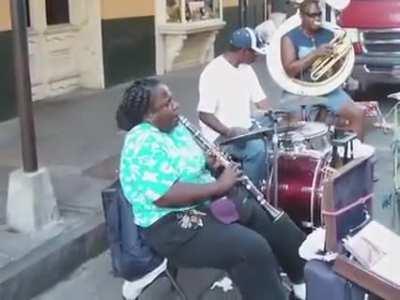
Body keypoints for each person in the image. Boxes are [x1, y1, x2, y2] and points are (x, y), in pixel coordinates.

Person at [116, 78, 307, 300]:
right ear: (148, 116)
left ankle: (303, 285)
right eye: (167, 104)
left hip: (206, 204)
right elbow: (165, 195)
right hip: (172, 225)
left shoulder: (174, 127)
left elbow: (187, 164)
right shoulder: (141, 141)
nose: (176, 105)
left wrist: (208, 163)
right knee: (251, 248)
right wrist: (220, 185)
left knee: (274, 222)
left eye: (173, 99)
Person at [281, 0, 366, 141]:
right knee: (295, 126)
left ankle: (353, 153)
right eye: (312, 15)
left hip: (327, 89)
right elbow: (290, 70)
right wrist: (315, 54)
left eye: (319, 14)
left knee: (358, 114)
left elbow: (339, 67)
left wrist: (338, 60)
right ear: (302, 16)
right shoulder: (289, 38)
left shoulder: (329, 34)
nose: (317, 18)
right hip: (299, 89)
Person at [197, 27, 271, 188]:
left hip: (244, 126)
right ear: (244, 52)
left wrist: (274, 117)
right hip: (221, 135)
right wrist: (228, 132)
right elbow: (204, 114)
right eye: (255, 52)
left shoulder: (247, 69)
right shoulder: (213, 72)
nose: (257, 56)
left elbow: (261, 101)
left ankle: (268, 183)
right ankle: (251, 192)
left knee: (275, 132)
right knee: (257, 150)